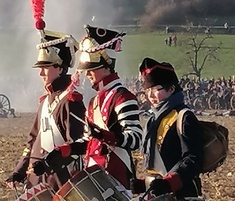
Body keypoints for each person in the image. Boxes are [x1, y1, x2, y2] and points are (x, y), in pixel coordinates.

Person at [30, 25, 143, 190]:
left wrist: (105, 135)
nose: (87, 74)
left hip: (117, 178)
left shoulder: (123, 97)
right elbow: (87, 142)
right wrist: (58, 154)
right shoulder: (94, 102)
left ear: (106, 67)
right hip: (94, 177)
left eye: (92, 70)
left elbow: (135, 138)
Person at [131, 57, 204, 201]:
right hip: (157, 195)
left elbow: (193, 159)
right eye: (147, 91)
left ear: (171, 88)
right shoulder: (153, 119)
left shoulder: (184, 117)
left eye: (156, 90)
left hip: (178, 195)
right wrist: (143, 183)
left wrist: (169, 183)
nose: (150, 96)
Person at [6, 30, 86, 191]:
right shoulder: (45, 102)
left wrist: (49, 163)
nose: (41, 73)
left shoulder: (70, 101)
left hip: (61, 182)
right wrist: (19, 171)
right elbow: (33, 140)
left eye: (46, 67)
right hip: (38, 180)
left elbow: (77, 147)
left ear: (60, 69)